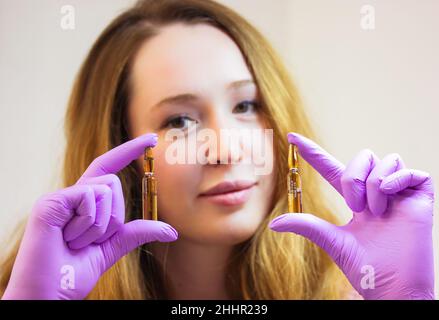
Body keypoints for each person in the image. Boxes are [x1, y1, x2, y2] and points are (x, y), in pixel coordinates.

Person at [0, 0, 434, 300]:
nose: (226, 149)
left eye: (246, 106)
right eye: (179, 121)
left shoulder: (355, 287)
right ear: (120, 149)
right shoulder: (31, 283)